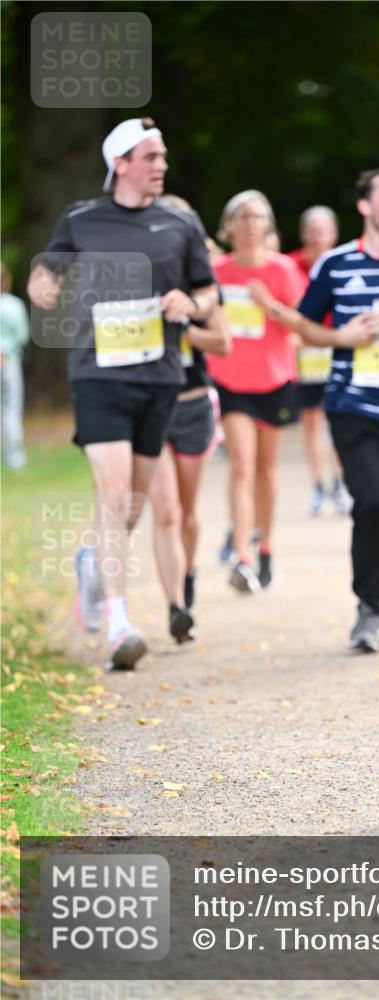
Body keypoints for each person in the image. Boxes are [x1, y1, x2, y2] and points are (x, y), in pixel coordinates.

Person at [27, 118, 217, 670]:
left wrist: (191, 303)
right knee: (113, 496)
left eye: (162, 156)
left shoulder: (180, 223)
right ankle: (118, 623)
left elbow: (207, 291)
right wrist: (43, 284)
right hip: (97, 373)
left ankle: (92, 561)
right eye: (151, 156)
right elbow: (49, 265)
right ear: (122, 163)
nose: (161, 165)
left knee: (131, 504)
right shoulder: (82, 218)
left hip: (159, 377)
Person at [252, 169, 379, 650]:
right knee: (371, 503)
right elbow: (305, 326)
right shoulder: (336, 265)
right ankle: (367, 610)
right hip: (352, 406)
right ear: (365, 206)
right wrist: (342, 338)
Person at [207, 190, 305, 593]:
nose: (250, 225)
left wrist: (271, 308)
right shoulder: (216, 272)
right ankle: (242, 556)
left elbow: (303, 324)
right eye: (242, 217)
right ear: (228, 227)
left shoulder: (282, 270)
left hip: (275, 379)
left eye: (257, 217)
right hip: (230, 382)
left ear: (268, 227)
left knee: (265, 470)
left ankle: (266, 547)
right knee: (241, 465)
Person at [147, 195, 231, 641]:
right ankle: (175, 604)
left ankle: (189, 570)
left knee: (188, 512)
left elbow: (223, 344)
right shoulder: (137, 281)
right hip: (153, 403)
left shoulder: (201, 289)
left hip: (195, 403)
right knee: (166, 510)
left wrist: (184, 327)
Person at [288, 206, 351, 516]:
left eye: (322, 230)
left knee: (337, 419)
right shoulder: (290, 265)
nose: (317, 236)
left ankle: (340, 484)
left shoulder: (344, 264)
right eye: (311, 230)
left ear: (334, 234)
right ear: (303, 234)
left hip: (336, 348)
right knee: (311, 421)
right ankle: (317, 485)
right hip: (305, 353)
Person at [0, 263, 30, 469]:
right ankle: (15, 459)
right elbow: (22, 335)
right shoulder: (13, 305)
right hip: (8, 360)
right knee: (11, 407)